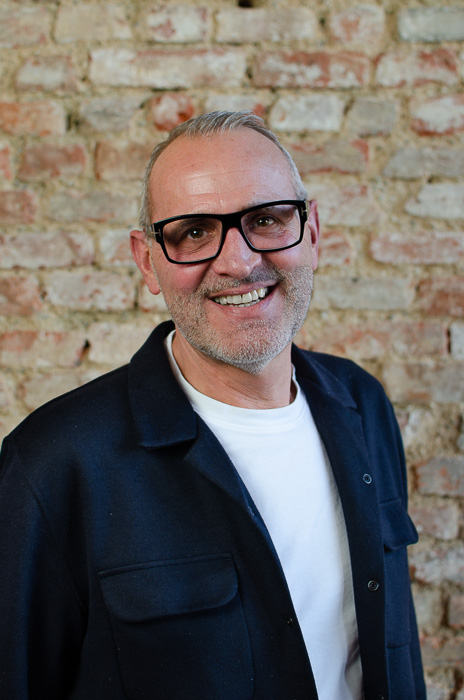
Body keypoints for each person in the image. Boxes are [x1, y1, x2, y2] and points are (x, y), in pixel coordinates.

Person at [0, 111, 425, 699]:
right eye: (194, 232)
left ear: (312, 232)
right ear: (147, 260)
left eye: (266, 219)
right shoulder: (52, 466)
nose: (240, 262)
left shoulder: (363, 404)